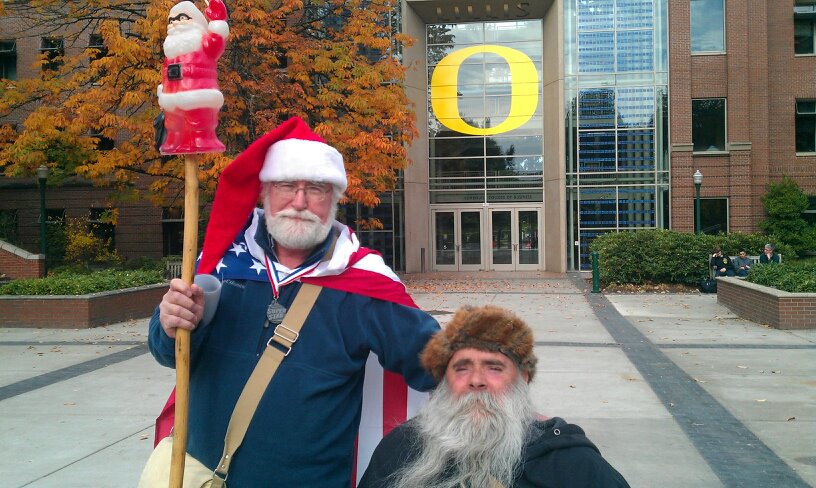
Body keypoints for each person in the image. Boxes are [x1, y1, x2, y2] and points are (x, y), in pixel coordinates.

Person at [147, 117, 440, 486]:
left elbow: (437, 363)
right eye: (286, 185)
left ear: (334, 199)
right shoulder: (220, 261)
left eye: (315, 188)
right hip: (200, 475)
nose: (299, 202)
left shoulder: (366, 281)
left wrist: (489, 358)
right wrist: (169, 324)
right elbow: (168, 351)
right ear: (265, 192)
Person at [359, 305, 631, 488]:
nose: (476, 380)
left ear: (523, 378)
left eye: (494, 368)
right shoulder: (400, 450)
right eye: (461, 368)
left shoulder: (575, 468)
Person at [157, 0, 228, 154]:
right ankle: (174, 141)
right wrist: (163, 89)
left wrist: (217, 19)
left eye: (181, 18)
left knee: (199, 120)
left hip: (199, 93)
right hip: (172, 96)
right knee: (173, 123)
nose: (175, 23)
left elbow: (217, 38)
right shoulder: (170, 52)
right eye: (171, 20)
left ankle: (201, 139)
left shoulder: (204, 44)